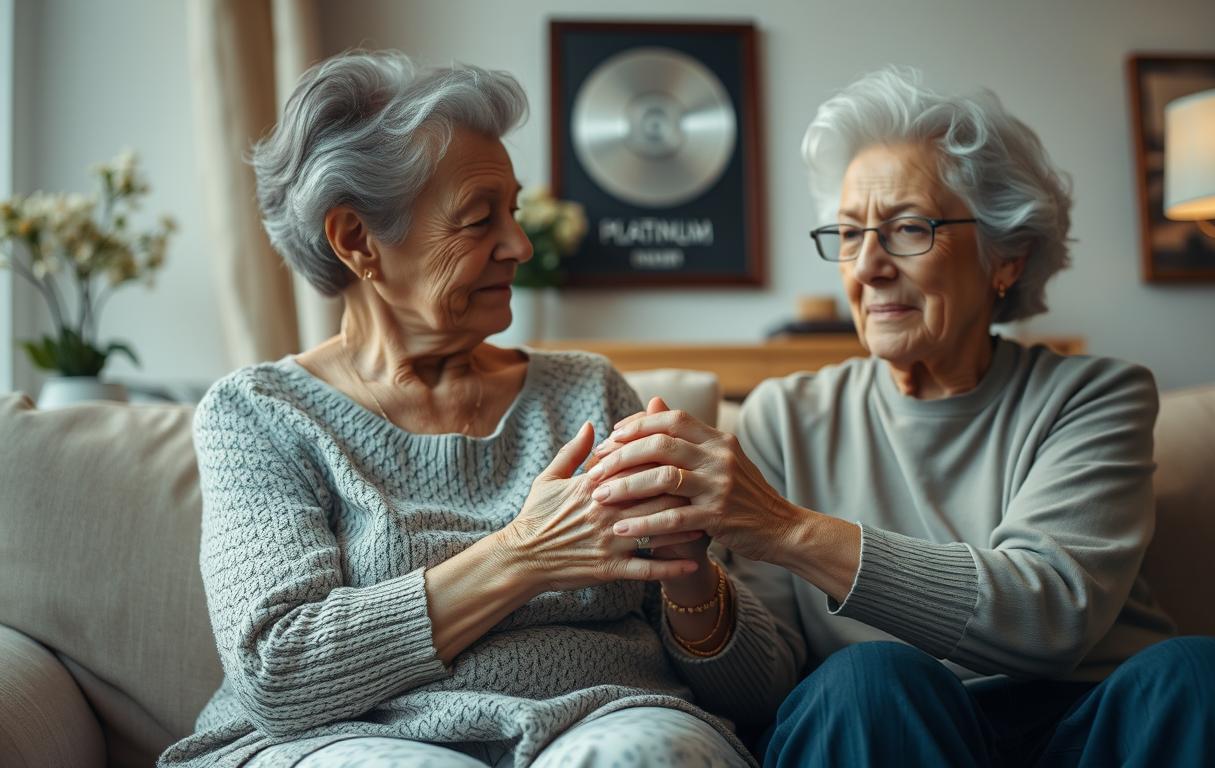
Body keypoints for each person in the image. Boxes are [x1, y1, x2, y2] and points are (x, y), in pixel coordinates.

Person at [585, 66, 1215, 766]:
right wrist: (691, 582)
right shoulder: (786, 417)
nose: (870, 265)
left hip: (1099, 731)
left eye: (909, 228)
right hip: (893, 731)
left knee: (1201, 673)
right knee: (867, 679)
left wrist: (788, 529)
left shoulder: (1094, 396)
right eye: (849, 233)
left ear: (1005, 256)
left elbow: (1051, 612)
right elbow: (765, 686)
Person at [159, 50, 799, 768]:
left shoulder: (588, 393)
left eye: (514, 211)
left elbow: (761, 694)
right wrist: (522, 556)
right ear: (357, 240)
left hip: (602, 722)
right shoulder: (263, 415)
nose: (520, 245)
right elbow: (279, 674)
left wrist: (689, 572)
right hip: (346, 740)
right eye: (477, 220)